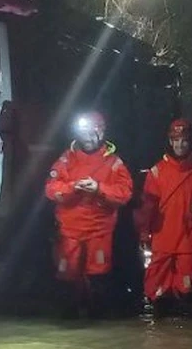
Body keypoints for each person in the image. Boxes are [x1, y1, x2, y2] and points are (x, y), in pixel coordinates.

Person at [44, 111, 133, 318]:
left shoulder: (114, 163)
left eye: (93, 133)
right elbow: (51, 189)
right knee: (67, 276)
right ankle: (69, 320)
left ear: (101, 133)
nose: (88, 138)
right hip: (70, 231)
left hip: (99, 231)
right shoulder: (66, 159)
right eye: (84, 133)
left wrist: (99, 188)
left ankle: (97, 320)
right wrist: (73, 187)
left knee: (98, 277)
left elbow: (125, 193)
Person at [135, 118, 192, 320]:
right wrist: (144, 231)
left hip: (189, 241)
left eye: (184, 140)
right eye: (176, 140)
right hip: (162, 239)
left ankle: (188, 343)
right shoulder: (157, 171)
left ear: (191, 141)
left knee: (188, 292)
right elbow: (147, 207)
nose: (180, 145)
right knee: (157, 291)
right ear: (170, 142)